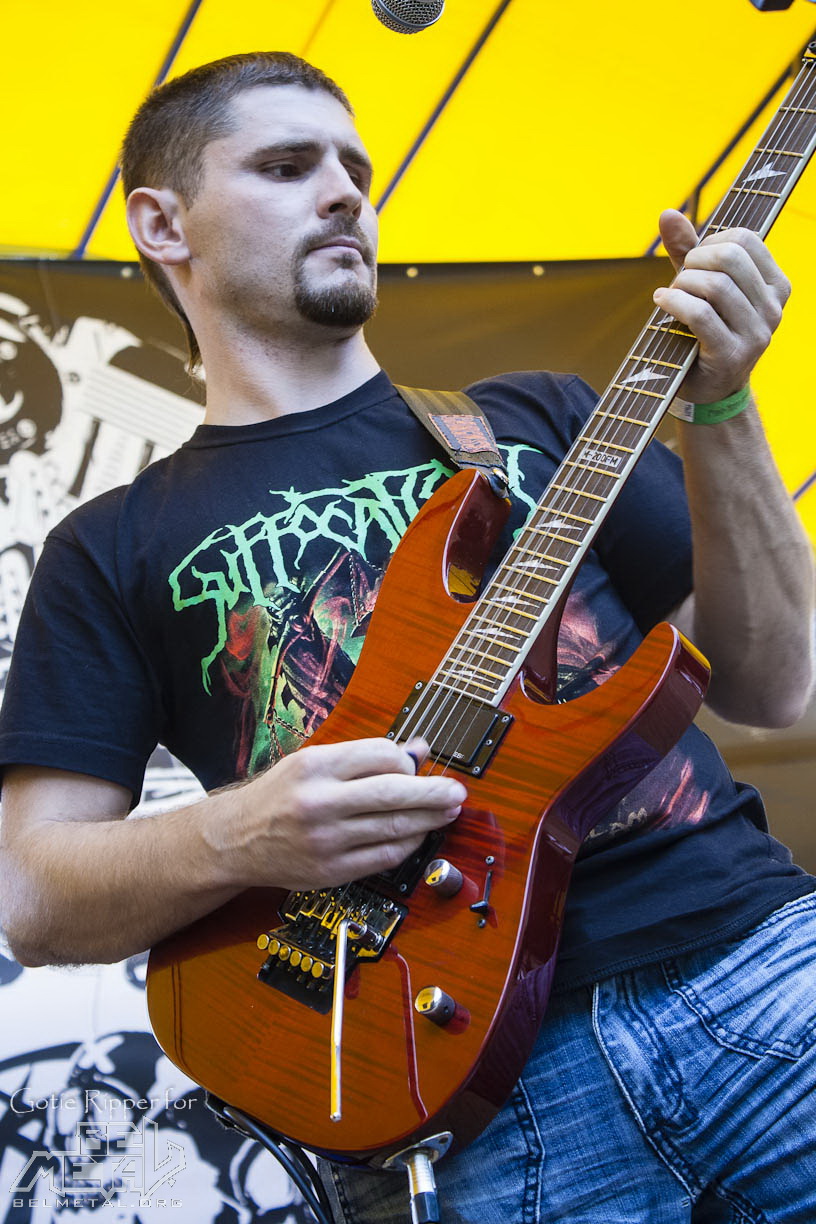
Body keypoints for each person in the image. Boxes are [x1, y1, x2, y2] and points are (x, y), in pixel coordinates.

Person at [0, 50, 814, 1224]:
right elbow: (33, 891)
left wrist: (725, 403)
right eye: (288, 166)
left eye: (356, 169)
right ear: (162, 224)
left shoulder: (538, 419)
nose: (344, 191)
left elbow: (774, 684)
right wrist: (242, 834)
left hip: (753, 964)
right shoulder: (108, 544)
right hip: (470, 1092)